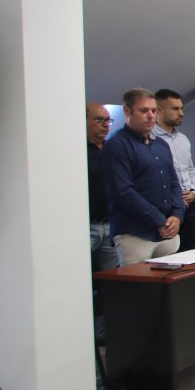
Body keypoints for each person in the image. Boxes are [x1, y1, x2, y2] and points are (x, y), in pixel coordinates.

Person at [100, 88, 183, 264]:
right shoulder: (116, 145)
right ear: (127, 111)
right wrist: (160, 220)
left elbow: (174, 183)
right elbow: (124, 192)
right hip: (135, 234)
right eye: (144, 111)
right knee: (139, 289)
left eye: (154, 111)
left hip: (167, 233)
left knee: (170, 289)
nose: (151, 116)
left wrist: (177, 215)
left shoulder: (161, 144)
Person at [153, 89, 195, 230]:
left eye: (181, 108)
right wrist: (175, 198)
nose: (181, 113)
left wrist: (194, 192)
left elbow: (190, 168)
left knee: (191, 247)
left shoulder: (183, 139)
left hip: (189, 203)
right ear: (159, 110)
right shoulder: (150, 138)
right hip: (168, 207)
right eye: (175, 109)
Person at [86, 103, 120, 270]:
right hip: (87, 225)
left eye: (108, 120)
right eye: (99, 120)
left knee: (113, 276)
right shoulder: (76, 150)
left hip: (111, 223)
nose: (105, 125)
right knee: (80, 272)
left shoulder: (112, 149)